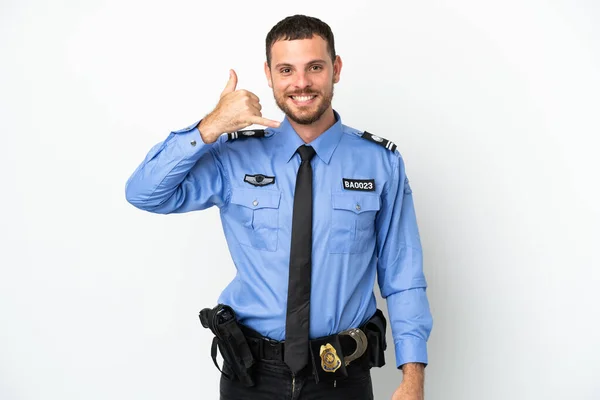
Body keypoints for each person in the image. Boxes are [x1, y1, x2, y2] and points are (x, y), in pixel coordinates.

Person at [125, 14, 433, 400]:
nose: (301, 83)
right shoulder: (232, 157)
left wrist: (412, 378)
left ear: (335, 70)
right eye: (287, 69)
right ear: (269, 75)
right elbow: (144, 193)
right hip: (250, 376)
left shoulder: (379, 162)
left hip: (341, 378)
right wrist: (210, 126)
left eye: (314, 68)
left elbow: (403, 276)